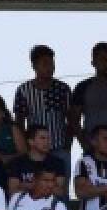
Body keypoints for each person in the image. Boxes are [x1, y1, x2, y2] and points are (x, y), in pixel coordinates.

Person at [15, 45, 73, 177]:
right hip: (34, 150)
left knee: (60, 189)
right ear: (34, 65)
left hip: (59, 148)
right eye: (45, 63)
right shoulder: (24, 90)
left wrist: (67, 146)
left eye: (52, 64)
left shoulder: (63, 89)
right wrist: (25, 147)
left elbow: (71, 119)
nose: (50, 67)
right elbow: (19, 122)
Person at [7, 126, 68, 199]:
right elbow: (12, 191)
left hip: (49, 205)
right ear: (31, 142)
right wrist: (45, 185)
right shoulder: (17, 162)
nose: (47, 142)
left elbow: (60, 192)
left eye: (48, 138)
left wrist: (29, 185)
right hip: (24, 205)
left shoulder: (57, 163)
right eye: (42, 138)